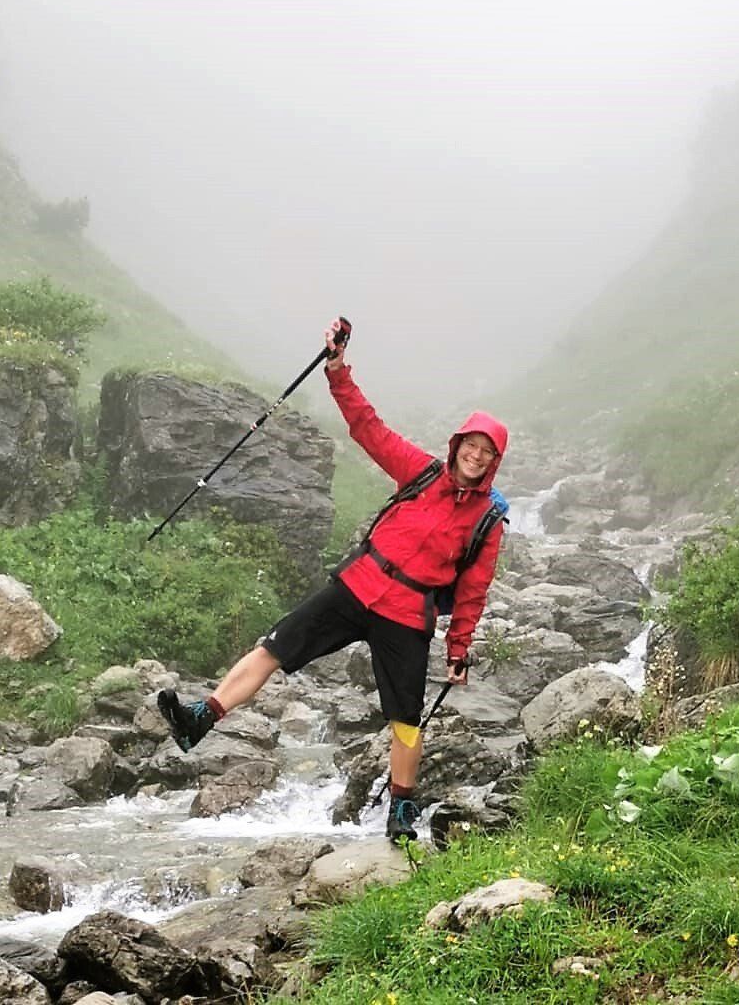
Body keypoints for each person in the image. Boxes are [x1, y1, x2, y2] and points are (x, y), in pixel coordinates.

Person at [158, 319, 509, 840]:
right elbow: (369, 427)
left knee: (406, 717)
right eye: (471, 446)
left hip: (409, 614)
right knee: (275, 645)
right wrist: (338, 369)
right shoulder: (421, 472)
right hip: (359, 585)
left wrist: (459, 649)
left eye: (487, 453)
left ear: (493, 462)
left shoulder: (487, 520)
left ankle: (402, 812)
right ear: (457, 444)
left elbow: (474, 590)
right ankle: (201, 718)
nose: (475, 457)